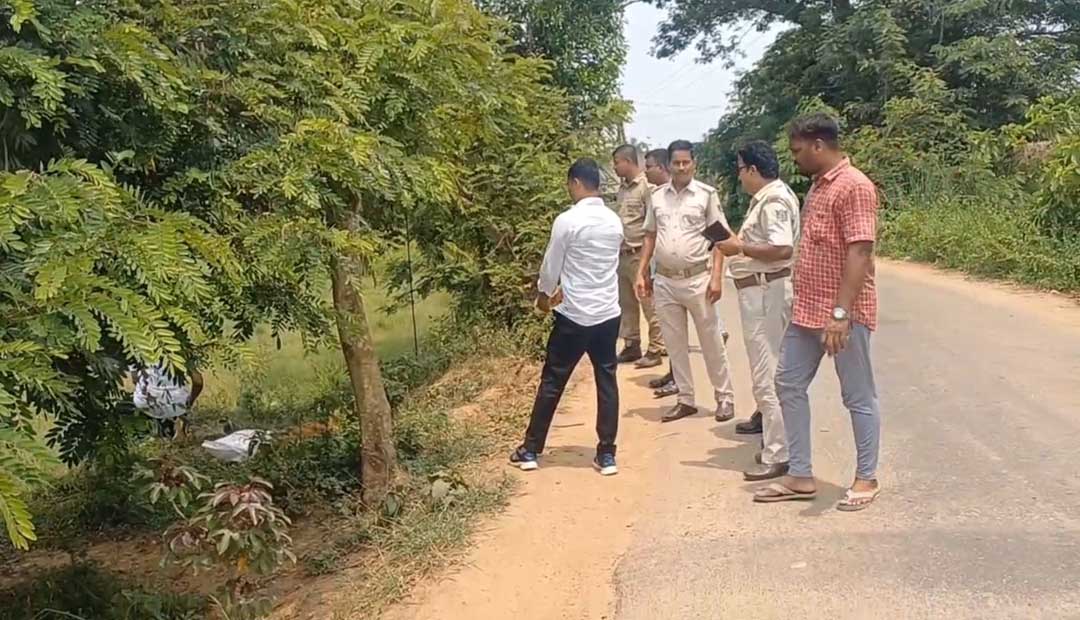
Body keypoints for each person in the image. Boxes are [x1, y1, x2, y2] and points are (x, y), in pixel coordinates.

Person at [752, 113, 883, 511]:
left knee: (858, 396)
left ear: (819, 145)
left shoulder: (855, 186)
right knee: (788, 383)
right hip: (807, 310)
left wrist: (841, 314)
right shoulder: (818, 186)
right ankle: (800, 474)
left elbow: (860, 251)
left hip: (843, 314)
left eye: (797, 150)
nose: (794, 158)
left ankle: (866, 477)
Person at [510, 158, 624, 476]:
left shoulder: (567, 221)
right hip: (607, 313)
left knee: (553, 381)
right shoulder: (614, 221)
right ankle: (606, 454)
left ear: (575, 183)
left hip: (574, 314)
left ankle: (531, 450)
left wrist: (544, 296)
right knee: (607, 380)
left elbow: (551, 267)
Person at [714, 141, 800, 481]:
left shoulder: (774, 200)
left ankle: (779, 452)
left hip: (766, 292)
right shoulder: (767, 199)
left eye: (740, 169)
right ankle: (778, 441)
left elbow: (782, 248)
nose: (739, 177)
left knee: (767, 373)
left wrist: (740, 247)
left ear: (752, 169)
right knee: (769, 370)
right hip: (762, 291)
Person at [635, 140, 737, 424]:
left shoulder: (706, 195)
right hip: (665, 280)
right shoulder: (657, 197)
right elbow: (650, 235)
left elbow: (721, 238)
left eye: (686, 162)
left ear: (694, 164)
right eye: (676, 163)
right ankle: (685, 399)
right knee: (675, 344)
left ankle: (724, 397)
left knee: (711, 342)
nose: (681, 168)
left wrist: (716, 277)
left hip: (698, 279)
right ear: (668, 165)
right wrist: (642, 272)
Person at [612, 145, 665, 369]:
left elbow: (653, 225)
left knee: (648, 301)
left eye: (617, 162)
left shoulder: (647, 188)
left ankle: (656, 347)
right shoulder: (622, 190)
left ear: (628, 161)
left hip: (639, 253)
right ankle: (632, 344)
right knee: (627, 304)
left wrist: (648, 259)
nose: (614, 167)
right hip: (622, 254)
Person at [643, 148, 679, 398]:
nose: (645, 171)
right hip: (661, 270)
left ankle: (679, 380)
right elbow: (651, 235)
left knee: (677, 330)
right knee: (669, 328)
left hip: (680, 275)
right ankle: (674, 373)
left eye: (649, 166)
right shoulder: (657, 196)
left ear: (663, 167)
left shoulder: (679, 197)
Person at [132, 362, 203, 439]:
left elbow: (135, 379)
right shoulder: (182, 356)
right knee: (179, 403)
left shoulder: (136, 355)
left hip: (145, 403)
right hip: (177, 403)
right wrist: (190, 401)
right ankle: (178, 423)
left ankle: (156, 428)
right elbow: (198, 381)